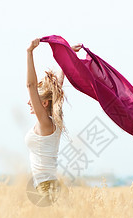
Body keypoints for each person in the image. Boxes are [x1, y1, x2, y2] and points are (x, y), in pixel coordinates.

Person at [24, 38, 81, 205]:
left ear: (44, 104)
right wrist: (67, 55)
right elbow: (57, 86)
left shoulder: (45, 123)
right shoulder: (51, 122)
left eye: (32, 100)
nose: (29, 102)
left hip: (46, 186)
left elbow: (30, 85)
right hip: (47, 185)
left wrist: (29, 52)